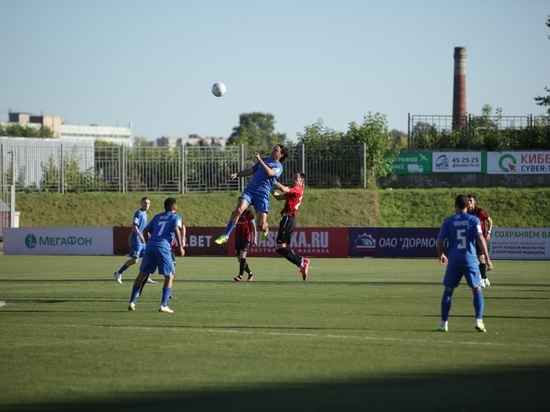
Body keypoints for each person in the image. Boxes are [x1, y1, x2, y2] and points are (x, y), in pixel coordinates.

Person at [436, 194, 494, 333]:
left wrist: (441, 255)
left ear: (455, 205)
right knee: (477, 289)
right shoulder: (473, 220)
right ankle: (479, 321)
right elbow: (481, 239)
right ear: (468, 205)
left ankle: (444, 323)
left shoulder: (449, 221)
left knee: (448, 291)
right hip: (470, 260)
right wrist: (487, 258)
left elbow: (440, 241)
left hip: (454, 260)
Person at [215, 145, 289, 245]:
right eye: (273, 149)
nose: (273, 151)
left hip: (262, 195)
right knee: (239, 209)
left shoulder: (279, 167)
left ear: (281, 154)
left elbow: (270, 173)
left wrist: (259, 159)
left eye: (276, 150)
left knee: (261, 225)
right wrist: (237, 174)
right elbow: (250, 171)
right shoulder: (265, 160)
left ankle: (265, 229)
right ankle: (226, 235)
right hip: (250, 191)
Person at [127, 197, 185, 313]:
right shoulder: (176, 217)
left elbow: (146, 230)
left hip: (150, 246)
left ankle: (132, 302)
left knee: (142, 274)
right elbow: (176, 228)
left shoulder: (157, 216)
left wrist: (149, 243)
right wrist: (180, 246)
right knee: (170, 276)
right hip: (163, 247)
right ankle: (163, 305)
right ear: (175, 207)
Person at [271, 172, 310, 280]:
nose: (293, 179)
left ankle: (301, 263)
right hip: (287, 219)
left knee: (279, 248)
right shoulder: (293, 191)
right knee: (281, 247)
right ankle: (302, 261)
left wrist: (273, 180)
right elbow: (278, 197)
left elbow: (284, 189)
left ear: (301, 181)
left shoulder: (298, 189)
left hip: (289, 219)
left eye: (296, 178)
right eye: (293, 177)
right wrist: (269, 187)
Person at [113, 197, 156, 285]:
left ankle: (145, 277)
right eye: (145, 203)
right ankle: (119, 273)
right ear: (141, 203)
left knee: (147, 258)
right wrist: (140, 236)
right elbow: (134, 226)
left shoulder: (145, 214)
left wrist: (147, 234)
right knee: (135, 260)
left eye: (148, 203)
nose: (147, 205)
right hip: (137, 240)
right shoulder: (139, 213)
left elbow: (142, 227)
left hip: (143, 240)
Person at [467, 194, 494, 287]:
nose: (469, 202)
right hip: (470, 238)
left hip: (480, 238)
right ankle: (484, 278)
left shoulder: (479, 211)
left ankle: (481, 279)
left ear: (474, 202)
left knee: (481, 258)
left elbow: (490, 220)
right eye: (468, 201)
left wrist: (489, 232)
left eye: (471, 200)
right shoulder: (465, 212)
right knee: (475, 259)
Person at [233, 208, 257, 282]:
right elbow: (231, 224)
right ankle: (250, 273)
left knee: (243, 255)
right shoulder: (235, 213)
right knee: (239, 258)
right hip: (237, 238)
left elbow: (253, 226)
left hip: (246, 237)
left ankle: (240, 276)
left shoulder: (249, 214)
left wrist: (255, 238)